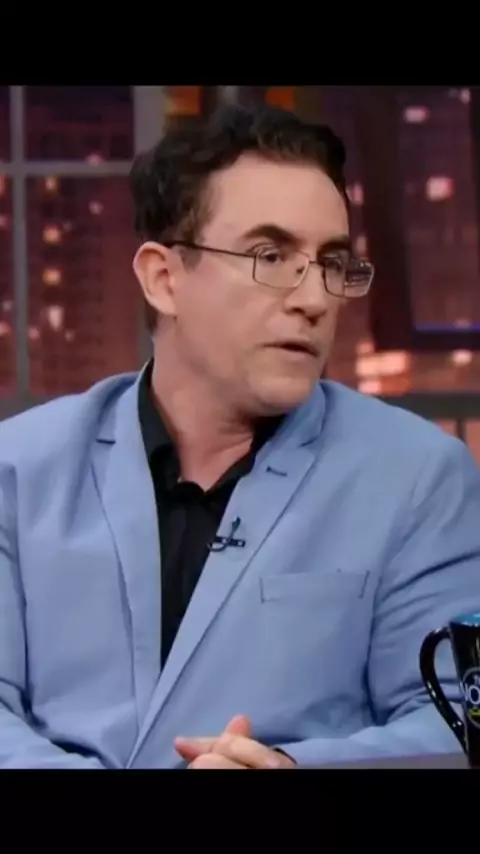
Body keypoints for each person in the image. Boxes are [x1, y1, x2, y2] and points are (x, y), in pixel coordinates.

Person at [1, 103, 479, 770]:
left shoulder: (420, 477)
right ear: (164, 279)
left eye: (331, 262)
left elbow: (455, 720)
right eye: (270, 256)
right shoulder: (19, 469)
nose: (314, 298)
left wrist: (288, 769)